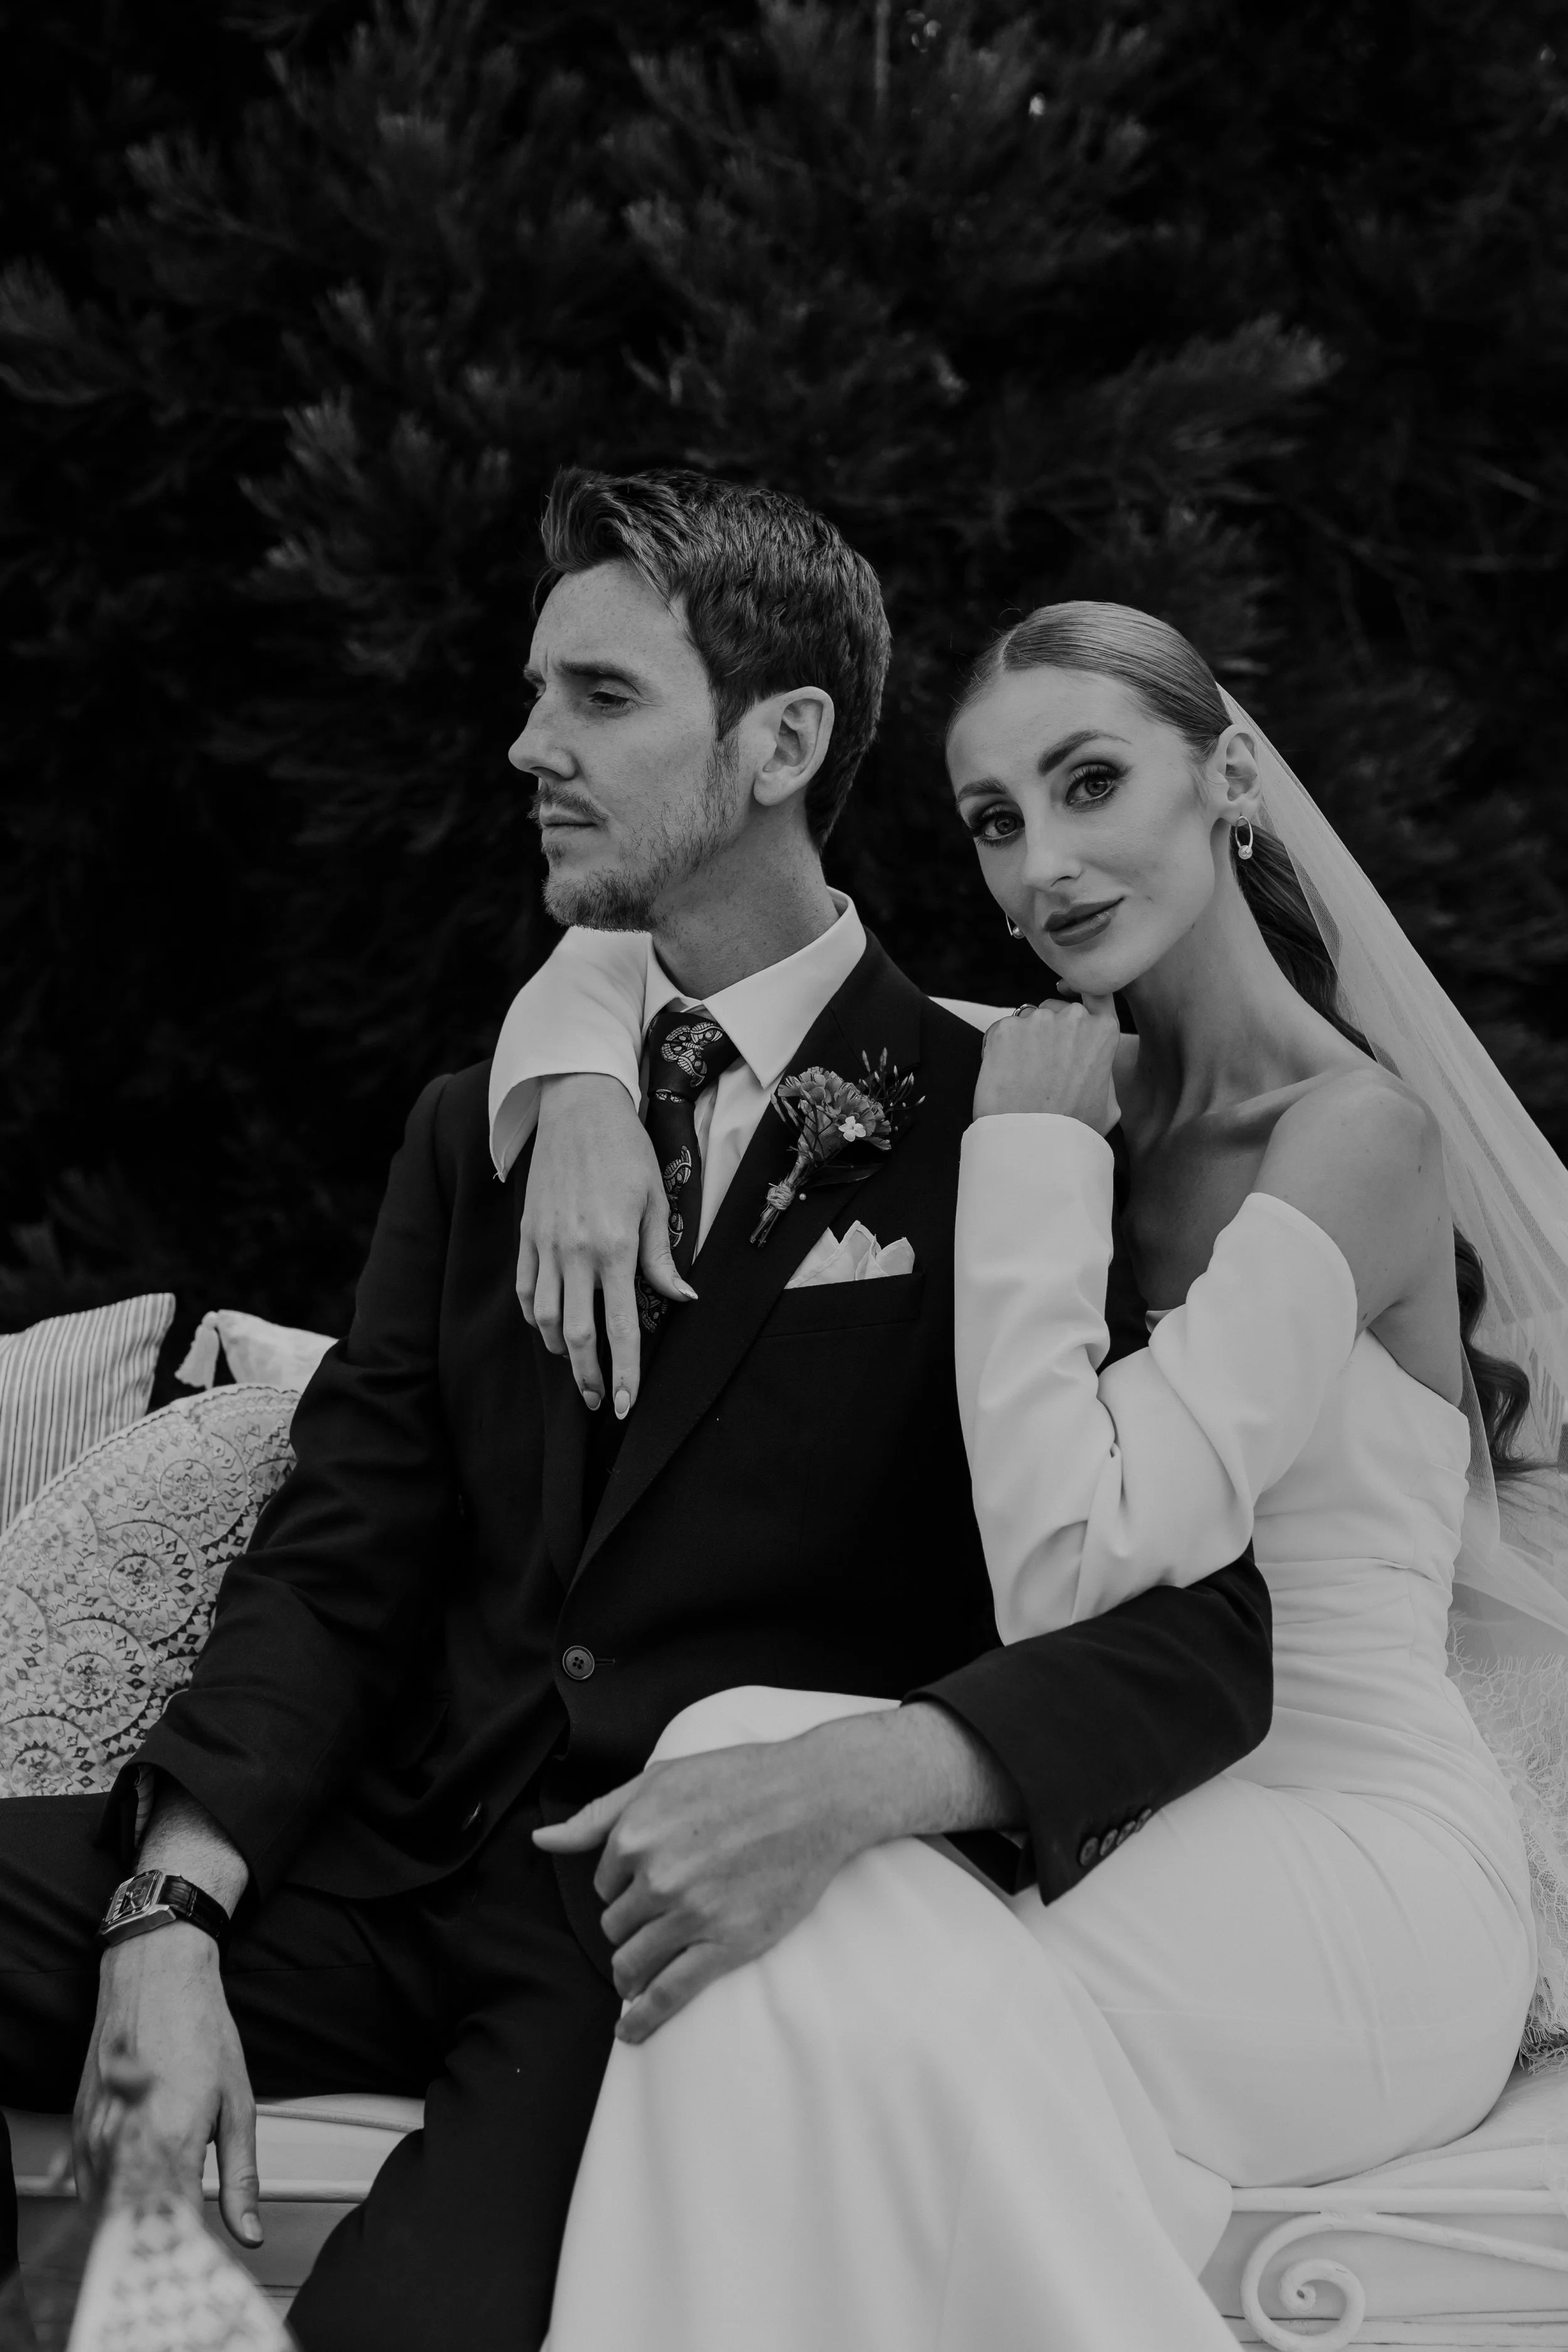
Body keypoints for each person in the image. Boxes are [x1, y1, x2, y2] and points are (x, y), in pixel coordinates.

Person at [0, 476, 1275, 2351]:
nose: (529, 747)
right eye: (537, 696)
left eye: (598, 699)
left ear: (780, 741)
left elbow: (1199, 1631)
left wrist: (860, 1781)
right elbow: (346, 1548)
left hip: (656, 1948)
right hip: (371, 1856)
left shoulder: (1013, 1120)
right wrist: (172, 1910)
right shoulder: (490, 1122)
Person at [503, 599, 1549, 2351]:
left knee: (788, 1947)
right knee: (728, 1769)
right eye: (996, 820)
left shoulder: (1350, 1138)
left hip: (1361, 1880)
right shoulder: (1064, 1076)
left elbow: (1081, 1565)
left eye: (1088, 784)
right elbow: (672, 952)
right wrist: (584, 1083)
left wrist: (1039, 1170)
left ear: (1224, 780)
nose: (1045, 863)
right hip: (1129, 1831)